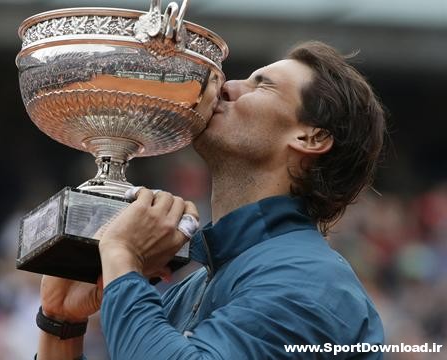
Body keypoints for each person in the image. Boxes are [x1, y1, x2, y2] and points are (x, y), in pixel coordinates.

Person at [34, 41, 386, 359]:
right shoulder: (193, 285)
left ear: (311, 137)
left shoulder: (311, 283)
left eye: (261, 85)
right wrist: (61, 326)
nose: (229, 87)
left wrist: (121, 256)